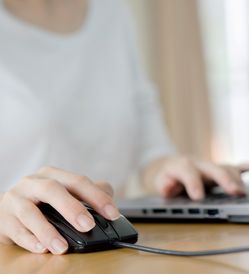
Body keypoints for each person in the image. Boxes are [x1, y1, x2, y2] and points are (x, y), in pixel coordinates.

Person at [0, 0, 247, 255]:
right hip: (19, 263)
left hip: (113, 257)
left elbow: (150, 147)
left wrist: (171, 170)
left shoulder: (111, 10)